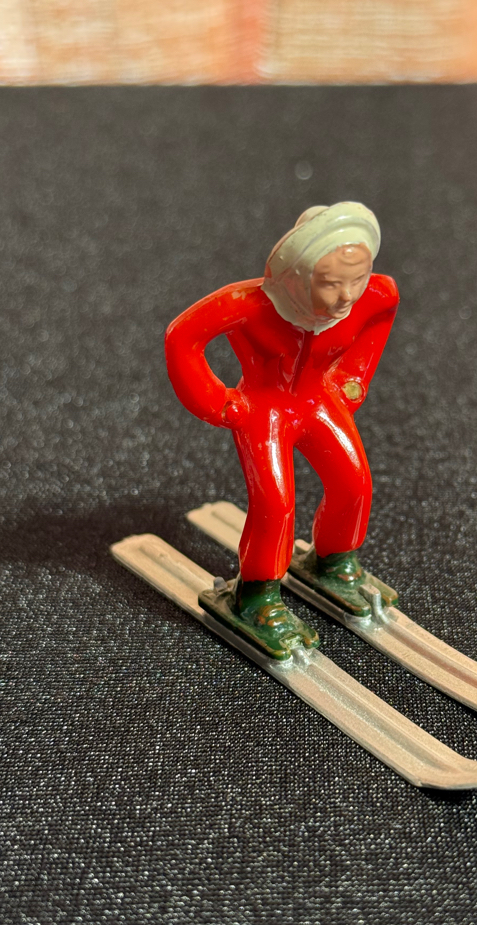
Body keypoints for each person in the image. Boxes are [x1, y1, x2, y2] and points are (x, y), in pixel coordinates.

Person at [165, 202, 399, 659]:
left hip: (318, 401)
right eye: (330, 283)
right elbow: (182, 338)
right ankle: (256, 597)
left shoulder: (374, 293)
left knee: (354, 483)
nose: (346, 296)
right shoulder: (249, 304)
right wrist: (216, 401)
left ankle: (334, 562)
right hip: (264, 408)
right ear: (297, 275)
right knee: (275, 503)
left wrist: (354, 376)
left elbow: (383, 309)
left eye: (356, 279)